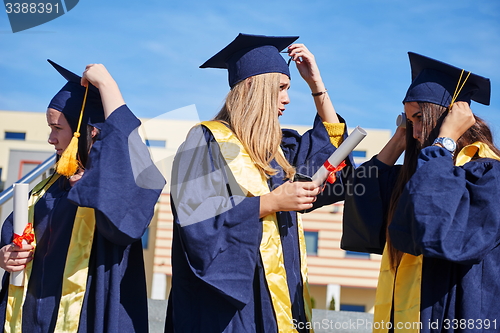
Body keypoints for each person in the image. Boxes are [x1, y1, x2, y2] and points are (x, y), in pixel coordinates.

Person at [165, 33, 352, 333]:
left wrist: (318, 86)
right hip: (230, 311)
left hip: (284, 307)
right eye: (281, 88)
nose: (288, 99)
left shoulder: (280, 151)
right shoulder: (204, 143)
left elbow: (332, 159)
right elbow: (196, 222)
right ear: (254, 87)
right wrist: (270, 203)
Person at [0, 60, 165, 333]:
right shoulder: (45, 189)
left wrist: (109, 88)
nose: (50, 139)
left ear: (87, 131)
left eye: (57, 128)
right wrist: (6, 255)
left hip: (87, 317)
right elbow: (12, 239)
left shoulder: (106, 186)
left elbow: (129, 163)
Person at [342, 52, 500, 332]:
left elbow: (436, 231)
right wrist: (398, 139)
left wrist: (445, 141)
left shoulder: (487, 175)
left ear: (446, 118)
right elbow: (364, 198)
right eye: (407, 119)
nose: (414, 131)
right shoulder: (420, 175)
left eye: (419, 118)